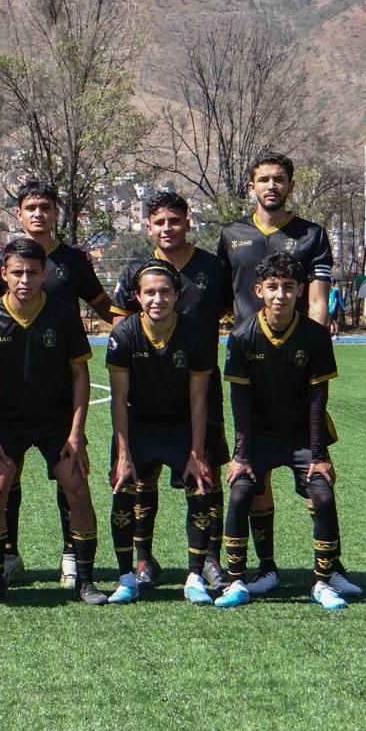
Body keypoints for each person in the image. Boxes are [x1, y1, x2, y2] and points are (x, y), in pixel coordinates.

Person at [216, 152, 359, 597]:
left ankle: (330, 568)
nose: (271, 186)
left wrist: (307, 350)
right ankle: (265, 568)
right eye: (263, 179)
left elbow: (317, 300)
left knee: (319, 476)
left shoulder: (311, 234)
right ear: (251, 187)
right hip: (251, 361)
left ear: (290, 186)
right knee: (254, 481)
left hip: (296, 364)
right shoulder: (231, 235)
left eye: (279, 179)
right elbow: (222, 297)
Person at [0, 180, 115, 588]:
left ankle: (76, 562)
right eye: (30, 207)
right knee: (2, 485)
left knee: (72, 481)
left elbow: (104, 307)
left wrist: (140, 326)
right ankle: (5, 560)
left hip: (58, 404)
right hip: (9, 413)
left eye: (45, 206)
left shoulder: (72, 265)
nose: (38, 214)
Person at [109, 191, 232, 592]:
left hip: (199, 385)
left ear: (187, 221)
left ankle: (209, 558)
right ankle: (144, 559)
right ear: (149, 227)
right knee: (141, 479)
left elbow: (229, 309)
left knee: (206, 474)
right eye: (159, 222)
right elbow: (120, 326)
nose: (167, 228)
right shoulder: (136, 269)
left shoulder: (212, 267)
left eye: (174, 221)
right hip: (145, 391)